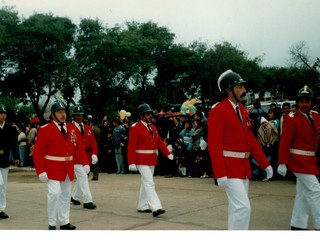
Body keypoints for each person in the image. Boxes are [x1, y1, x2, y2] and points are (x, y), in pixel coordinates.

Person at [207, 69, 273, 230]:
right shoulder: (218, 111)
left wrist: (265, 164)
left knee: (236, 209)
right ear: (229, 90)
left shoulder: (242, 110)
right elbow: (214, 144)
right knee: (243, 207)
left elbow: (251, 140)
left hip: (243, 166)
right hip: (229, 167)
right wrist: (219, 172)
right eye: (240, 87)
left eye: (244, 87)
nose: (244, 90)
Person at [33, 101, 88, 230]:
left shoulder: (72, 128)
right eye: (59, 112)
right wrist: (40, 171)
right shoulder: (45, 129)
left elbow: (79, 147)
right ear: (53, 115)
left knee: (65, 195)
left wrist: (85, 162)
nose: (62, 115)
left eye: (64, 112)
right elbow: (38, 152)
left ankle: (64, 222)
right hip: (51, 168)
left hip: (67, 167)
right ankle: (52, 223)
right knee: (54, 194)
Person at [277, 85, 320, 230]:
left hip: (311, 160)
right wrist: (282, 162)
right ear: (297, 103)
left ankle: (297, 226)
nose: (305, 104)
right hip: (298, 161)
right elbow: (285, 141)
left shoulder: (316, 116)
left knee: (303, 194)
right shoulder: (292, 118)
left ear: (312, 102)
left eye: (307, 101)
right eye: (302, 101)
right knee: (316, 190)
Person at [127, 102, 174, 217]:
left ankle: (142, 206)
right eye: (147, 114)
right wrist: (131, 162)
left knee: (145, 183)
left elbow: (159, 142)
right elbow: (131, 146)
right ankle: (156, 207)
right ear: (141, 116)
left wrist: (167, 154)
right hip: (141, 159)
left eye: (150, 114)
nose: (150, 116)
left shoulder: (152, 127)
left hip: (151, 159)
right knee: (149, 183)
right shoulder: (135, 128)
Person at [70, 105, 97, 210]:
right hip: (75, 157)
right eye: (77, 116)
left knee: (82, 178)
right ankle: (87, 200)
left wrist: (94, 154)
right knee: (83, 177)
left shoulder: (87, 128)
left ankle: (74, 196)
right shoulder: (69, 128)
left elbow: (93, 142)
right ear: (73, 117)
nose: (79, 117)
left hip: (87, 156)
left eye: (81, 115)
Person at [0, 104, 20, 219]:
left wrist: (16, 157)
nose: (3, 115)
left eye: (4, 113)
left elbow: (14, 144)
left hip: (4, 160)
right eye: (1, 113)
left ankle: (1, 209)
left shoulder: (9, 128)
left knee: (3, 187)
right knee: (0, 183)